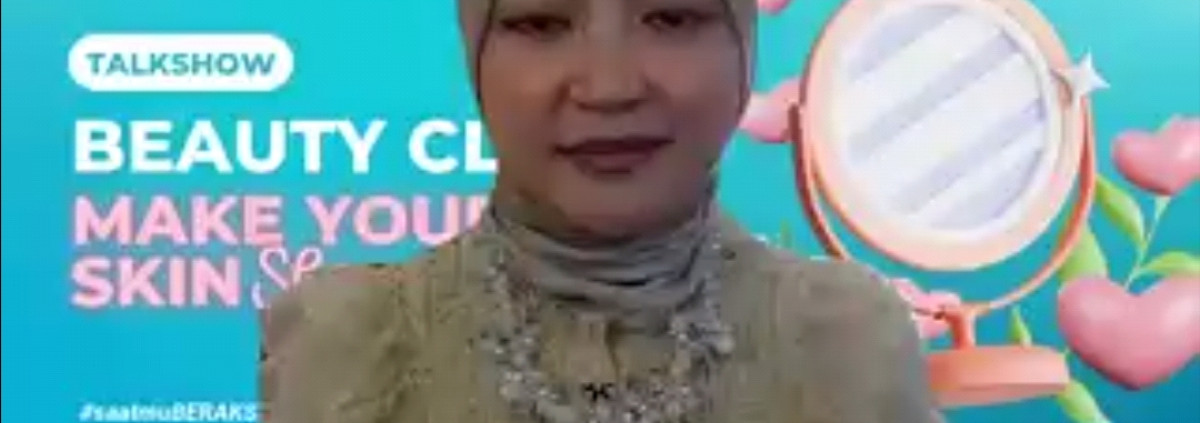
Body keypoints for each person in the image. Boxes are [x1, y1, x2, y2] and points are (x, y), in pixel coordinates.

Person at [259, 0, 940, 421]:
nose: (609, 87)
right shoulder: (353, 345)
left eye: (672, 18)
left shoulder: (844, 340)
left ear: (741, 46)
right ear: (477, 53)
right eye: (542, 22)